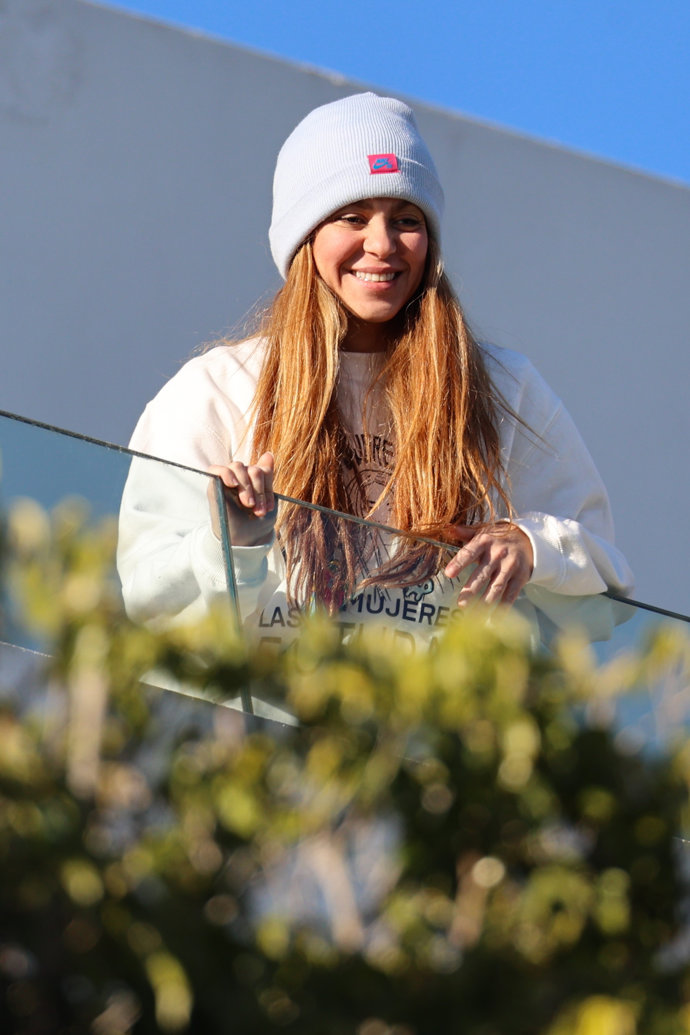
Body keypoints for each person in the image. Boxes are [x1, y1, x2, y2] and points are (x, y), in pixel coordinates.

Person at [117, 92, 633, 662]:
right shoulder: (219, 388)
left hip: (432, 740)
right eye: (352, 217)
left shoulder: (501, 388)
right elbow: (147, 596)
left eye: (406, 220)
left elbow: (607, 586)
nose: (382, 245)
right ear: (305, 237)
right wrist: (229, 538)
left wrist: (533, 547)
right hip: (261, 731)